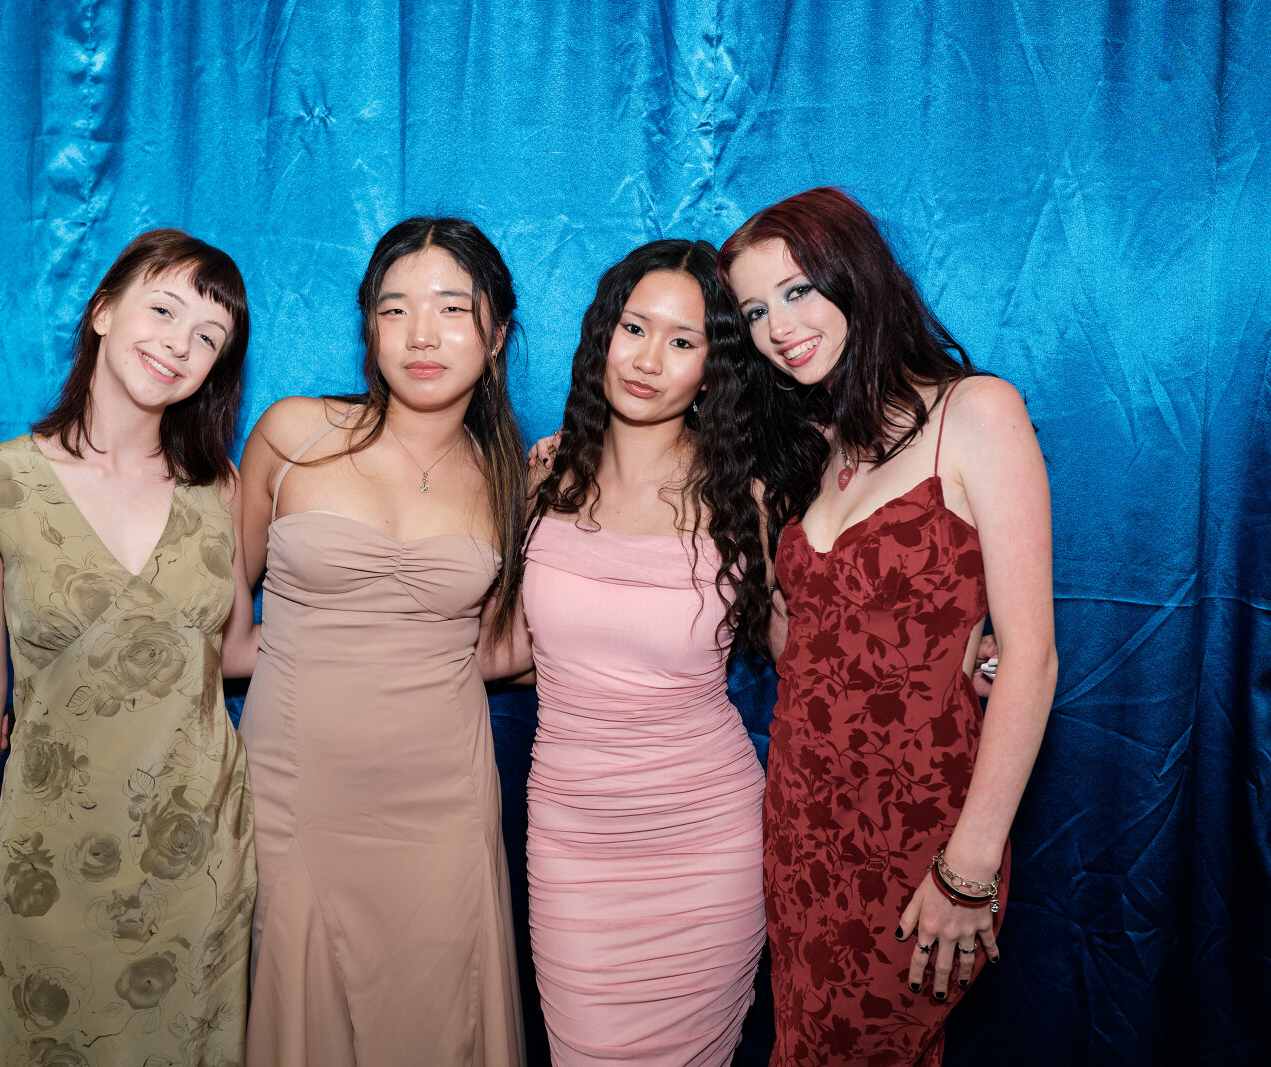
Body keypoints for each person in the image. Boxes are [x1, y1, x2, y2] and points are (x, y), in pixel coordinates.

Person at [720, 187, 1057, 1065]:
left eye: (797, 290)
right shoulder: (819, 447)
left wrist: (969, 866)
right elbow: (801, 657)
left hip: (919, 833)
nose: (776, 327)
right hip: (802, 822)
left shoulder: (974, 413)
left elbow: (1031, 657)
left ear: (854, 274)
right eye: (754, 311)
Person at [0, 229, 260, 1065]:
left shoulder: (220, 487)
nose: (179, 343)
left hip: (199, 859)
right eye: (164, 310)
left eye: (208, 336)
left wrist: (395, 626)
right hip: (49, 862)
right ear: (102, 311)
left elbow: (234, 652)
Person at [234, 217, 527, 1066]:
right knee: (299, 1008)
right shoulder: (293, 432)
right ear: (368, 326)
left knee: (439, 1019)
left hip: (444, 802)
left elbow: (503, 649)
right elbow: (206, 617)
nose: (421, 335)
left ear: (497, 333)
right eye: (394, 309)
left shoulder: (516, 481)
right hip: (298, 787)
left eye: (452, 308)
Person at [508, 239, 770, 1065]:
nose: (649, 359)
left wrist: (957, 652)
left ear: (712, 370)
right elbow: (499, 646)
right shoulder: (543, 481)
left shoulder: (743, 499)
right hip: (572, 845)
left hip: (706, 844)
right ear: (603, 336)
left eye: (682, 341)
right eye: (634, 327)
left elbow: (814, 652)